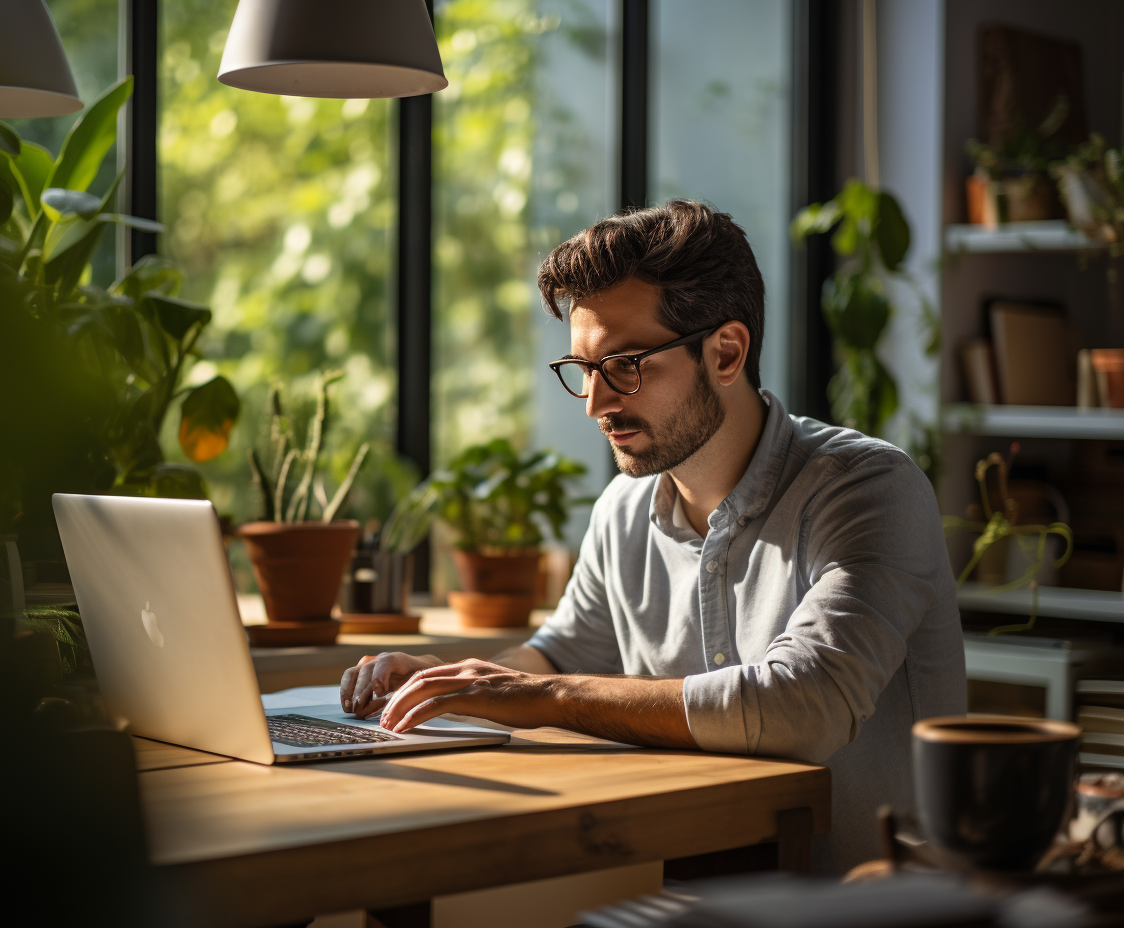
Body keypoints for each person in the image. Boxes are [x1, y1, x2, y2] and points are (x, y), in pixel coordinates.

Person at [339, 200, 965, 874]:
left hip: (877, 906)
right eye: (584, 368)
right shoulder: (623, 510)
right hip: (702, 900)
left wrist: (542, 698)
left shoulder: (865, 489)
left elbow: (805, 707)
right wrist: (449, 685)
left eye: (626, 364)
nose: (596, 403)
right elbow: (558, 657)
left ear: (726, 352)